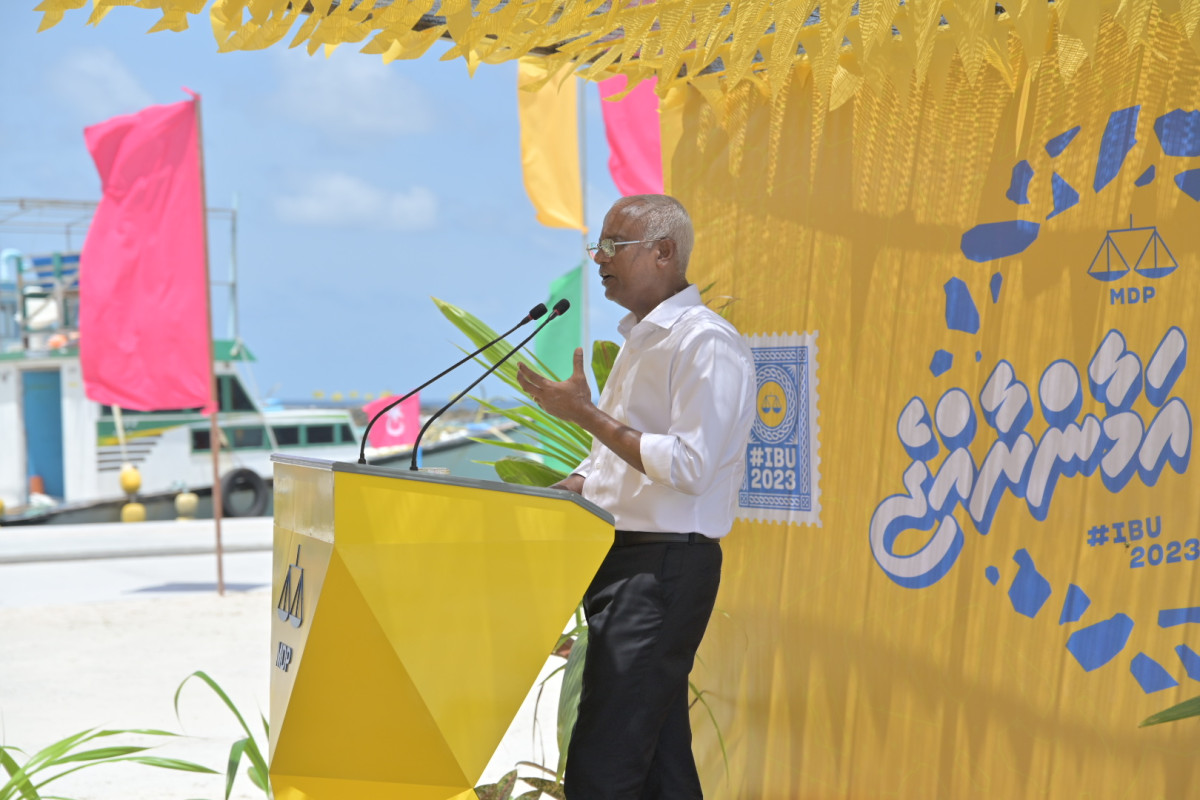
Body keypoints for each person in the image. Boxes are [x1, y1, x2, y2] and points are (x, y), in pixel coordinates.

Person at [516, 194, 756, 800]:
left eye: (612, 246)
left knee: (604, 766)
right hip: (626, 562)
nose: (598, 258)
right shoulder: (642, 341)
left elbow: (690, 466)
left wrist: (586, 414)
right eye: (596, 246)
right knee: (659, 767)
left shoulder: (705, 342)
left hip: (664, 568)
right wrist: (574, 485)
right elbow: (614, 461)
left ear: (663, 252)